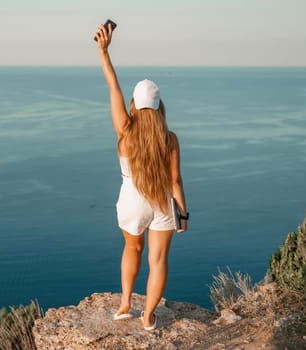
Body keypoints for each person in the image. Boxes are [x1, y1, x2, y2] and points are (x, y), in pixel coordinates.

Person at [94, 23, 188, 331]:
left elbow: (113, 87)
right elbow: (175, 181)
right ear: (159, 105)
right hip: (162, 202)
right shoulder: (170, 138)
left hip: (132, 201)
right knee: (158, 261)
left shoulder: (125, 130)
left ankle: (124, 305)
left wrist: (104, 52)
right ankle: (148, 317)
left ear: (135, 103)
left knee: (132, 248)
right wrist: (183, 214)